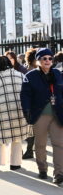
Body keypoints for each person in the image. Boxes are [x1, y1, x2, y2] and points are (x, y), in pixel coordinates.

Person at [21, 47, 63, 185]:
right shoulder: (30, 76)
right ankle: (42, 169)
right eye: (44, 58)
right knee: (40, 144)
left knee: (59, 144)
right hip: (40, 115)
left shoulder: (58, 73)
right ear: (38, 61)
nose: (47, 60)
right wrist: (26, 110)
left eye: (50, 58)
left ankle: (59, 174)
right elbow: (25, 95)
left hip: (57, 114)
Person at [0, 56, 30, 171]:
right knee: (17, 138)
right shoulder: (20, 75)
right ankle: (15, 164)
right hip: (18, 112)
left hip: (1, 113)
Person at [22, 48, 38, 159]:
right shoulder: (32, 71)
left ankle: (30, 150)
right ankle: (30, 150)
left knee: (32, 129)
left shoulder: (27, 70)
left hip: (33, 103)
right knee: (32, 129)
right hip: (34, 103)